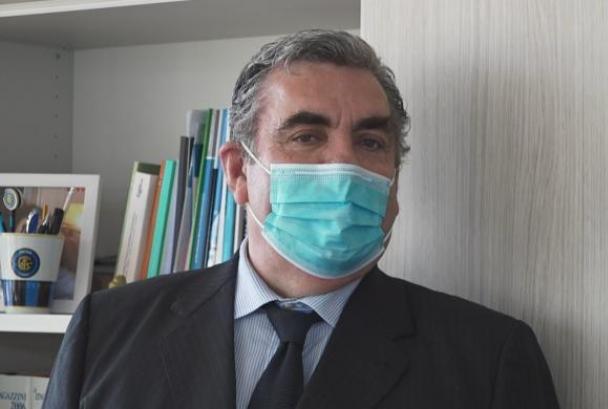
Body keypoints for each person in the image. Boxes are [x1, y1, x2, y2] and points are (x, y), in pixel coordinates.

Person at [43, 30, 559, 409]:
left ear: (395, 179)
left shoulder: (487, 358)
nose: (344, 164)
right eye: (307, 137)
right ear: (239, 172)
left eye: (370, 142)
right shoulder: (107, 330)